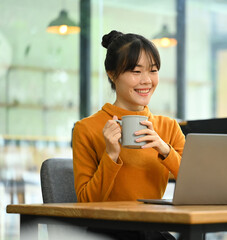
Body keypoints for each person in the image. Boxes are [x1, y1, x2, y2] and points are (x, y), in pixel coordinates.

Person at [72, 30, 185, 240]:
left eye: (153, 70)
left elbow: (197, 185)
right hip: (107, 232)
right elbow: (86, 204)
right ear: (112, 74)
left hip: (152, 229)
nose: (147, 80)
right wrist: (111, 155)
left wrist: (164, 150)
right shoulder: (86, 129)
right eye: (135, 71)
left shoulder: (168, 127)